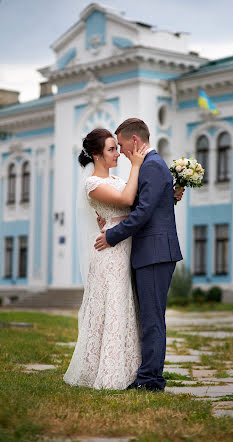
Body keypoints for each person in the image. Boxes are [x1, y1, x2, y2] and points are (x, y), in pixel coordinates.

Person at [94, 118, 183, 392]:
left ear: (135, 141)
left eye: (120, 145)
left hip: (155, 253)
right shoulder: (150, 166)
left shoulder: (152, 166)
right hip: (151, 252)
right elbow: (146, 206)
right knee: (150, 317)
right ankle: (148, 375)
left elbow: (143, 213)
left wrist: (112, 235)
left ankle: (150, 380)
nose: (119, 151)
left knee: (153, 318)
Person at [63, 128, 149, 390]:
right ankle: (107, 372)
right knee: (112, 306)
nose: (117, 154)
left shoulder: (115, 178)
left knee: (124, 305)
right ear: (97, 154)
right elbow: (126, 199)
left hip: (125, 247)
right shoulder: (92, 184)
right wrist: (136, 165)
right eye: (112, 149)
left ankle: (130, 367)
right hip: (109, 252)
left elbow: (135, 203)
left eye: (116, 148)